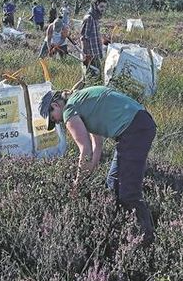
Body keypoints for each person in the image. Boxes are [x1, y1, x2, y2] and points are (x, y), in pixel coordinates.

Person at [40, 86, 157, 245]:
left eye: (53, 118)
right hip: (137, 125)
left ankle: (147, 240)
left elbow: (85, 150)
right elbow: (97, 146)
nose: (58, 122)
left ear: (55, 106)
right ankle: (121, 231)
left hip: (134, 130)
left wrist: (78, 184)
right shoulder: (82, 101)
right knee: (113, 183)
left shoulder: (69, 110)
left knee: (129, 193)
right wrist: (88, 175)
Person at [79, 0, 106, 80]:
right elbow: (83, 37)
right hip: (90, 55)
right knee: (91, 79)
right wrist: (86, 55)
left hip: (96, 53)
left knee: (98, 77)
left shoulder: (95, 18)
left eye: (104, 7)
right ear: (95, 5)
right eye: (101, 6)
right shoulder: (89, 18)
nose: (103, 9)